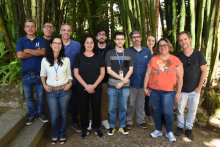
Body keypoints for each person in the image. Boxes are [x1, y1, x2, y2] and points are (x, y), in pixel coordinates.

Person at [144, 38, 183, 142]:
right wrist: (144, 87)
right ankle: (158, 130)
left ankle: (169, 132)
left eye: (164, 45)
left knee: (168, 112)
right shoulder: (153, 59)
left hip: (169, 91)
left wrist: (178, 93)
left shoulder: (175, 60)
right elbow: (147, 74)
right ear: (158, 47)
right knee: (156, 111)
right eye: (160, 45)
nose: (162, 47)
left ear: (169, 46)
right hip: (154, 90)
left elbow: (180, 78)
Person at [174, 31, 207, 140]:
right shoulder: (177, 56)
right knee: (180, 109)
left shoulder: (199, 54)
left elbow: (204, 71)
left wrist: (199, 87)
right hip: (182, 89)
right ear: (179, 43)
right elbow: (174, 74)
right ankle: (179, 126)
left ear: (190, 39)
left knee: (192, 110)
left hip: (195, 90)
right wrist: (176, 89)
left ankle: (188, 128)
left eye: (185, 39)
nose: (183, 42)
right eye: (181, 40)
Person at [16, 19, 49, 125]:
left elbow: (43, 52)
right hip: (26, 75)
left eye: (32, 26)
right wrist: (36, 52)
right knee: (29, 97)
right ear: (25, 28)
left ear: (35, 28)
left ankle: (42, 114)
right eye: (28, 26)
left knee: (40, 97)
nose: (30, 28)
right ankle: (32, 115)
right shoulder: (21, 41)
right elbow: (19, 55)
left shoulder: (41, 40)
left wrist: (27, 50)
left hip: (39, 74)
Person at [40, 36, 72, 145]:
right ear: (50, 44)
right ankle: (55, 134)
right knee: (54, 116)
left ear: (61, 45)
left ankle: (62, 134)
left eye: (59, 43)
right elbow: (43, 74)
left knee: (63, 114)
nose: (57, 45)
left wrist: (70, 84)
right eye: (55, 43)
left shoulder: (66, 59)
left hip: (64, 90)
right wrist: (44, 85)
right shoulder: (45, 60)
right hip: (51, 91)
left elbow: (69, 75)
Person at [73, 34, 105, 139]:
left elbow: (102, 73)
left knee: (96, 108)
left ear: (94, 44)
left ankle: (97, 128)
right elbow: (76, 73)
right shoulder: (78, 56)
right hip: (82, 88)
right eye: (87, 42)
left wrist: (94, 86)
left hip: (97, 87)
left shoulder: (99, 56)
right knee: (83, 108)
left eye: (91, 42)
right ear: (84, 44)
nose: (89, 45)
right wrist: (87, 86)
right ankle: (84, 129)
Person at [105, 32, 134, 135]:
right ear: (114, 40)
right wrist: (122, 79)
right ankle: (112, 126)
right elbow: (109, 70)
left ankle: (122, 126)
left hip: (125, 86)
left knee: (123, 107)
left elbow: (131, 69)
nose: (120, 41)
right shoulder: (109, 53)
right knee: (112, 107)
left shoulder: (129, 53)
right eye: (118, 39)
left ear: (125, 40)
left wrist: (122, 82)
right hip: (112, 85)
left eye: (122, 39)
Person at [126, 30, 152, 130]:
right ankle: (129, 121)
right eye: (133, 37)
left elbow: (150, 67)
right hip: (131, 82)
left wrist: (149, 83)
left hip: (143, 82)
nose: (136, 39)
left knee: (141, 103)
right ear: (131, 39)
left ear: (141, 38)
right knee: (130, 103)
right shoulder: (128, 51)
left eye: (138, 37)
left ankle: (141, 120)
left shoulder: (147, 51)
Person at [60, 24, 81, 132]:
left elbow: (81, 60)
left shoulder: (76, 45)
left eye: (68, 30)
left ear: (71, 32)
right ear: (60, 32)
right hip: (59, 80)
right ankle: (59, 123)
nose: (66, 32)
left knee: (73, 102)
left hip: (74, 79)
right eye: (64, 30)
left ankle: (74, 122)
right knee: (61, 103)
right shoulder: (56, 44)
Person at [144, 33, 157, 125]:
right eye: (149, 40)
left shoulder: (157, 53)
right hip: (144, 77)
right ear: (146, 41)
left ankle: (156, 115)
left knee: (155, 97)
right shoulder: (143, 51)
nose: (151, 42)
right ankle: (148, 114)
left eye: (153, 40)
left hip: (155, 78)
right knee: (146, 97)